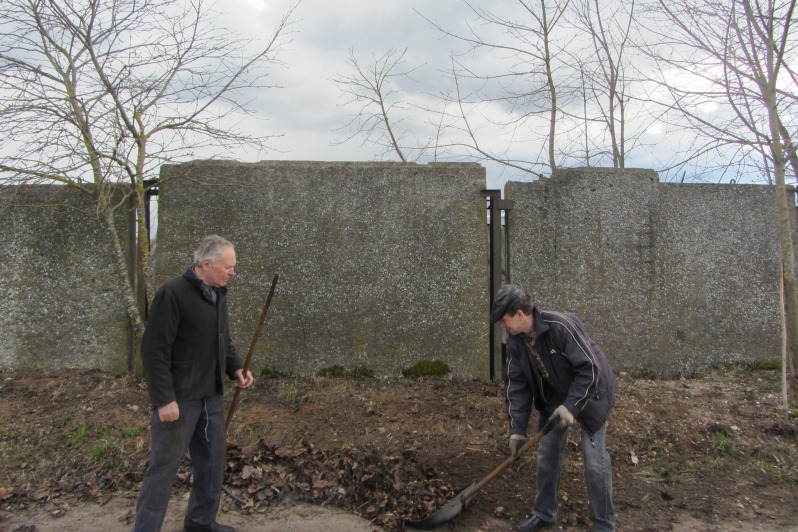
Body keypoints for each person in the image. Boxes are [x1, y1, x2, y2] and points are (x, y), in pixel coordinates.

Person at [133, 235, 254, 532]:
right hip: (179, 399)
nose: (233, 272)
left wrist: (235, 367)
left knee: (212, 462)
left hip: (210, 395)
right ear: (207, 264)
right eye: (228, 266)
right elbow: (154, 350)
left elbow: (221, 339)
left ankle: (201, 522)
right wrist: (164, 399)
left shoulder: (218, 293)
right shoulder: (172, 293)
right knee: (163, 469)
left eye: (234, 266)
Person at [491, 284, 617, 532]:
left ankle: (604, 524)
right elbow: (517, 385)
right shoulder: (516, 341)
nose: (502, 326)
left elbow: (590, 369)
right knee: (547, 455)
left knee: (594, 461)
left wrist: (571, 407)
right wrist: (517, 430)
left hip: (592, 394)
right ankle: (544, 513)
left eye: (504, 320)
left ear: (520, 314)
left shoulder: (560, 326)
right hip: (555, 396)